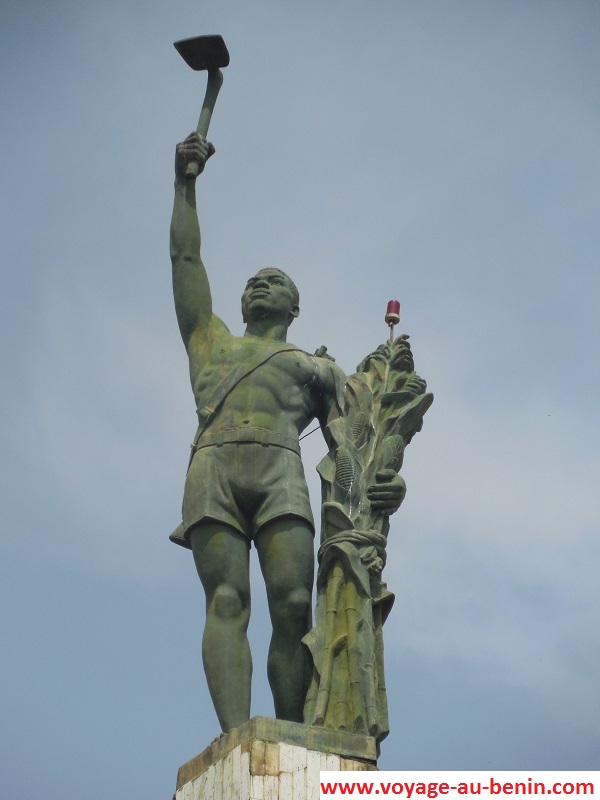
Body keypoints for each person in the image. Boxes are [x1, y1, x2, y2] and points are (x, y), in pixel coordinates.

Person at [169, 133, 405, 733]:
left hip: (281, 472)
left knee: (294, 605)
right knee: (225, 600)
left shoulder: (314, 369)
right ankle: (234, 737)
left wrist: (387, 487)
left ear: (294, 307)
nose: (257, 285)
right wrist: (185, 183)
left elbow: (359, 447)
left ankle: (291, 732)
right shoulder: (211, 343)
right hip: (215, 467)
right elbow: (186, 261)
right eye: (252, 281)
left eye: (272, 281)